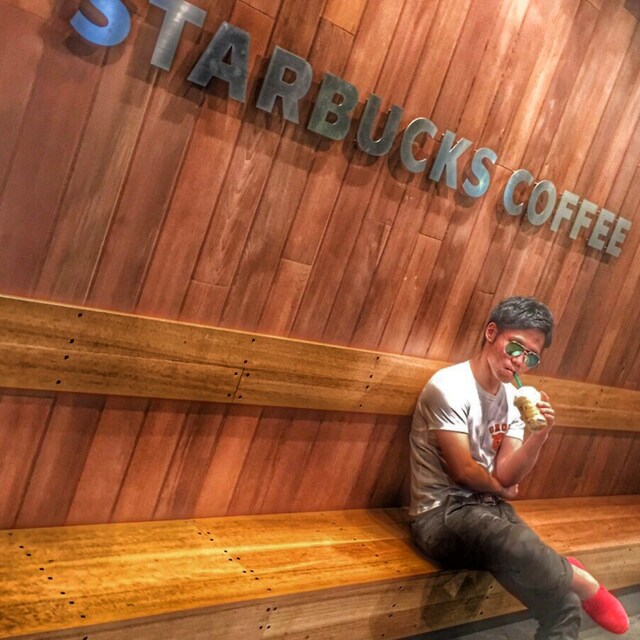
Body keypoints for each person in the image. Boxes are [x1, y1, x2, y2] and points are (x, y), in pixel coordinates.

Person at [409, 296, 629, 639]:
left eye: (531, 356)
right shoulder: (448, 386)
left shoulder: (514, 399)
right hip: (440, 514)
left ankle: (564, 575)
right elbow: (463, 471)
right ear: (491, 333)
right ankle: (581, 579)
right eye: (515, 347)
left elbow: (507, 474)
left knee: (564, 606)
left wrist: (539, 436)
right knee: (515, 542)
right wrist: (499, 489)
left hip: (489, 511)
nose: (520, 361)